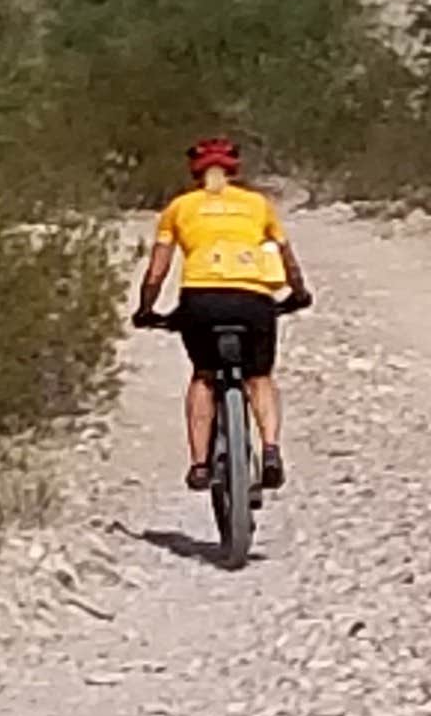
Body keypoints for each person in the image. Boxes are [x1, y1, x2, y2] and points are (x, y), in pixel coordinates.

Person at [133, 138, 311, 492]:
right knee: (259, 376)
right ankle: (271, 449)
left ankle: (199, 464)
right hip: (254, 299)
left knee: (204, 376)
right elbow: (287, 258)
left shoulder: (180, 207)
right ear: (233, 170)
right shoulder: (257, 205)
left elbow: (157, 271)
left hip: (201, 300)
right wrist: (299, 292)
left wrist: (146, 308)